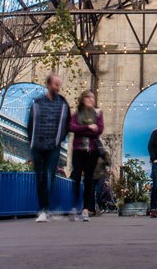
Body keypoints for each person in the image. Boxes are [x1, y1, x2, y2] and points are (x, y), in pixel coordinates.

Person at [28, 73, 70, 223]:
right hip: (38, 146)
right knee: (40, 178)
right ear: (48, 84)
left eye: (59, 85)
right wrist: (31, 143)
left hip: (53, 147)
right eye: (55, 84)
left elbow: (66, 125)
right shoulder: (37, 103)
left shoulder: (63, 104)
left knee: (49, 177)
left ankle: (45, 209)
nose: (58, 88)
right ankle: (42, 209)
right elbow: (30, 124)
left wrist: (59, 141)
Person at [69, 90, 104, 222]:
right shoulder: (76, 113)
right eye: (88, 97)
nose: (91, 100)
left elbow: (99, 130)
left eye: (93, 98)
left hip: (92, 151)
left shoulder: (98, 113)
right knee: (76, 177)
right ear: (83, 99)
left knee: (88, 180)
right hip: (78, 150)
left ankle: (85, 209)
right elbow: (71, 127)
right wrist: (89, 127)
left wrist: (82, 129)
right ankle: (74, 206)